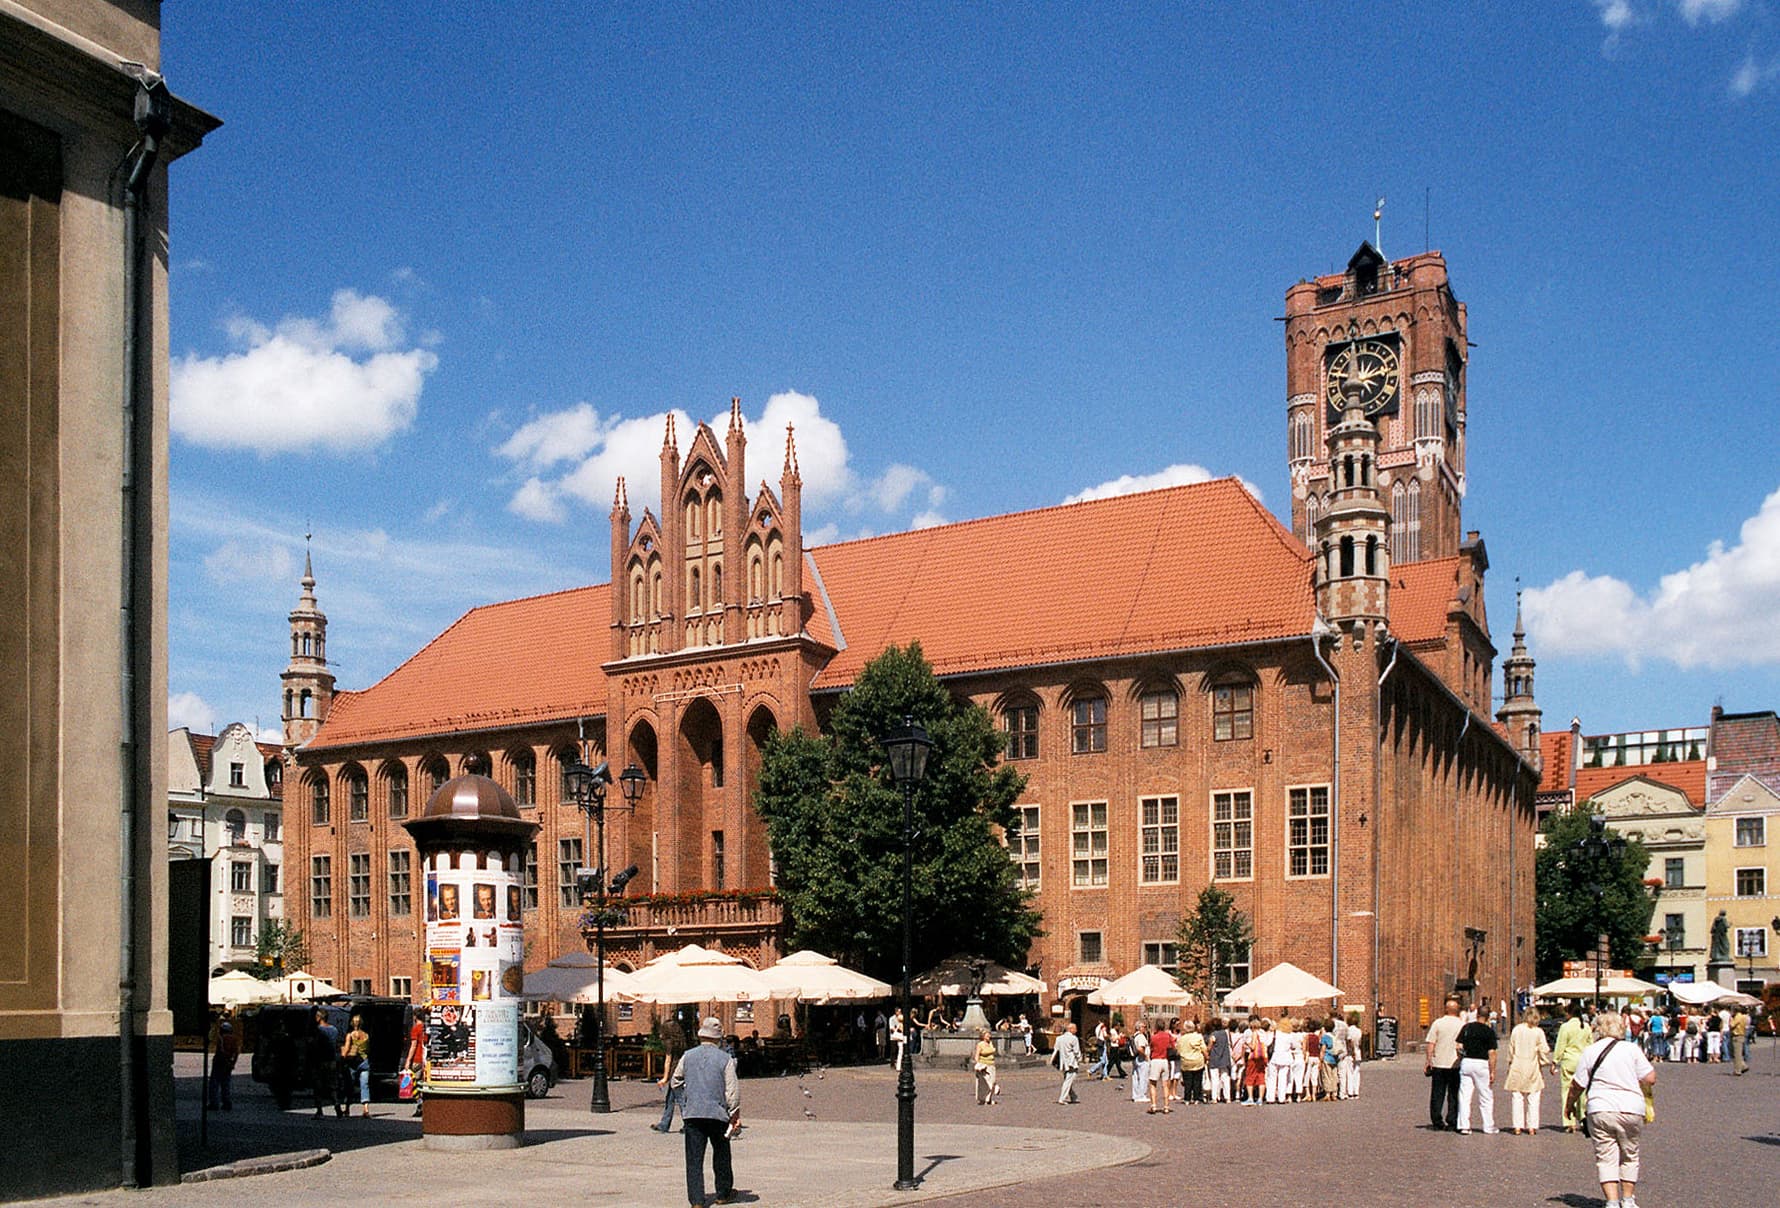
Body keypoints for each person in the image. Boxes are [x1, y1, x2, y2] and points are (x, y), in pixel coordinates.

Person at [1567, 1011, 1656, 1208]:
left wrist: (1569, 1105)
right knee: (1630, 1155)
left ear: (1599, 1029)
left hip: (1601, 1107)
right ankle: (1628, 1199)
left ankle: (1612, 1201)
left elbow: (1578, 1084)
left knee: (1606, 1157)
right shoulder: (1631, 1049)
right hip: (1631, 1108)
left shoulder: (1591, 1051)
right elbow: (1650, 1078)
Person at [672, 1017, 741, 1208]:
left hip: (693, 1113)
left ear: (701, 1035)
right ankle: (723, 1193)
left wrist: (686, 1100)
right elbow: (732, 1091)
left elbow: (675, 1081)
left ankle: (696, 1200)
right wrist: (734, 1112)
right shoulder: (725, 1059)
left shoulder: (688, 1055)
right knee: (721, 1153)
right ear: (718, 1038)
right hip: (717, 1113)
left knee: (694, 1159)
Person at [1503, 1008, 1552, 1134]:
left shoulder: (1517, 1029)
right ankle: (1532, 1126)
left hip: (1517, 1065)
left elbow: (1511, 1049)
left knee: (1517, 1096)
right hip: (1532, 1066)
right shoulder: (1538, 1031)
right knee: (1533, 1096)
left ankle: (1517, 1126)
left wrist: (1509, 1062)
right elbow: (1545, 1049)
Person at [1455, 1008, 1499, 1134]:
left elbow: (1458, 1046)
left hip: (1467, 1062)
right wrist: (1492, 1071)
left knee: (1464, 1095)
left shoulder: (1467, 1027)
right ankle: (1488, 1126)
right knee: (1485, 1096)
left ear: (1477, 1014)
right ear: (1488, 1017)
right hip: (1482, 1063)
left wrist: (1461, 1057)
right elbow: (1492, 1053)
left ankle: (1464, 1126)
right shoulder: (1489, 1031)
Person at [1424, 997, 1463, 1130]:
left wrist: (1428, 1060)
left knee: (1437, 1093)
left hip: (1439, 1063)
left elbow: (1431, 1043)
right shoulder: (1461, 1024)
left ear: (1446, 1009)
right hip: (1455, 1063)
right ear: (1457, 1010)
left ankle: (1437, 1121)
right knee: (1453, 1094)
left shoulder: (1438, 1023)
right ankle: (1452, 1120)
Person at [1553, 1002, 1591, 1133]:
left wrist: (1555, 1060)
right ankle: (1582, 1117)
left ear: (1569, 1013)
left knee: (1567, 1091)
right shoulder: (1586, 1026)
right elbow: (1590, 1044)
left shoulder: (1565, 1027)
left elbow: (1560, 1045)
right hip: (1583, 1062)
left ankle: (1569, 1121)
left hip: (1569, 1061)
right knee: (1582, 1092)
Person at [310, 1008, 343, 1119]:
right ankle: (337, 1107)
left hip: (319, 1061)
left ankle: (319, 1110)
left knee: (318, 1086)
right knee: (332, 1086)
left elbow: (314, 1046)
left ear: (319, 1018)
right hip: (332, 1060)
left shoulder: (317, 1030)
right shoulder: (334, 1029)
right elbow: (337, 1045)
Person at [341, 1013, 373, 1117]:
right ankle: (366, 1109)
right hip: (364, 1061)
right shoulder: (366, 1035)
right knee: (365, 1085)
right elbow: (368, 1049)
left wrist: (342, 1058)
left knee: (349, 1085)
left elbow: (346, 1050)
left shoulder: (350, 1035)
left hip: (353, 1063)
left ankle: (347, 1108)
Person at [207, 1018, 240, 1111]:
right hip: (228, 1064)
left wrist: (224, 1060)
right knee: (226, 1084)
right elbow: (236, 1052)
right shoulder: (234, 1039)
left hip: (219, 1063)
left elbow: (220, 1051)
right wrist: (232, 1063)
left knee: (214, 1084)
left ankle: (214, 1104)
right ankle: (227, 1103)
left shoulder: (221, 1038)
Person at [1147, 1019, 1175, 1113]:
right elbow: (1173, 1046)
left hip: (1155, 1060)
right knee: (1165, 1085)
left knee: (1152, 1084)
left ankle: (1153, 1105)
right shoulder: (1168, 1036)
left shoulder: (1154, 1037)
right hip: (1165, 1060)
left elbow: (1151, 1047)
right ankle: (1166, 1106)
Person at [404, 1007, 428, 1117]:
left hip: (417, 1059)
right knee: (424, 1083)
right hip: (426, 1059)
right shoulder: (426, 1028)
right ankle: (424, 1105)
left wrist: (408, 1060)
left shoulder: (416, 1029)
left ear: (415, 1017)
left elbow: (413, 1046)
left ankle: (420, 1105)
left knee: (415, 1084)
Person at [1052, 1021, 1082, 1104]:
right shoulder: (1074, 1038)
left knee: (1067, 1079)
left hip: (1062, 1062)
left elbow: (1056, 1049)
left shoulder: (1059, 1038)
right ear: (1070, 1029)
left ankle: (1073, 1096)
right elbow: (1076, 1051)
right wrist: (1079, 1059)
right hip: (1071, 1062)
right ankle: (1062, 1098)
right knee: (1068, 1080)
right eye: (1075, 1028)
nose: (1076, 1030)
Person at [1178, 1019, 1207, 1104]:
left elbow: (1178, 1050)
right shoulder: (1198, 1037)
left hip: (1186, 1061)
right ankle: (1196, 1098)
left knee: (1187, 1081)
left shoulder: (1182, 1038)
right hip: (1198, 1060)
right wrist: (1207, 1057)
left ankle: (1187, 1098)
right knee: (1197, 1080)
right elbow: (1204, 1049)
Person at [1205, 1019, 1232, 1104]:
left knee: (1214, 1078)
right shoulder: (1225, 1033)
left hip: (1214, 1058)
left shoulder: (1213, 1035)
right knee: (1225, 1078)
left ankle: (1215, 1097)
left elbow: (1209, 1047)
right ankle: (1228, 1097)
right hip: (1224, 1058)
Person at [973, 1030, 999, 1105]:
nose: (989, 1037)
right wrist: (978, 1064)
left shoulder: (990, 1043)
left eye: (989, 1035)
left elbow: (992, 1051)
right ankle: (983, 1099)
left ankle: (989, 1098)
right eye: (987, 1036)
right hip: (983, 1065)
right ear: (983, 1036)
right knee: (983, 1083)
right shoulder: (980, 1044)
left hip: (991, 1064)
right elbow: (977, 1055)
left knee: (992, 1082)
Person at [1129, 1019, 1151, 1104]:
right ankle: (1141, 1095)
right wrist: (1145, 1056)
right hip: (1141, 1059)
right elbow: (1140, 1048)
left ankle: (1136, 1095)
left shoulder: (1134, 1036)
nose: (1145, 1028)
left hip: (1135, 1058)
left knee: (1135, 1076)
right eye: (1143, 1027)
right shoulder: (1141, 1036)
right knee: (1143, 1077)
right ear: (1139, 1028)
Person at [1729, 1006, 1750, 1075]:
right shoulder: (1744, 1016)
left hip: (1737, 1035)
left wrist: (1731, 1019)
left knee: (1737, 1054)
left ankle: (1737, 1070)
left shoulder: (1738, 1016)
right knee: (1736, 1053)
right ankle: (1743, 1066)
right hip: (1741, 1034)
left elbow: (1732, 1025)